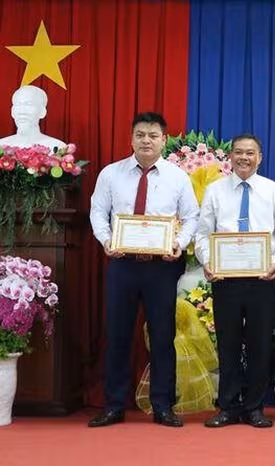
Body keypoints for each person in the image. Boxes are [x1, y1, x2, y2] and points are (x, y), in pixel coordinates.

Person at [88, 112, 199, 427]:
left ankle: (163, 405)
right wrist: (107, 240)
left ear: (164, 140)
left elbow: (192, 216)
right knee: (117, 335)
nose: (146, 141)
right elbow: (98, 211)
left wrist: (179, 243)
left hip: (161, 268)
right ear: (131, 138)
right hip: (122, 264)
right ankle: (114, 405)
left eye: (152, 135)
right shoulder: (111, 174)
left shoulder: (177, 177)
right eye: (140, 135)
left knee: (163, 337)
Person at [195, 133, 275, 428]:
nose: (244, 158)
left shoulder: (273, 191)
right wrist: (208, 262)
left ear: (260, 158)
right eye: (238, 152)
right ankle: (228, 406)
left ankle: (254, 407)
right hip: (225, 278)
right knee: (227, 343)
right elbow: (202, 234)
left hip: (263, 278)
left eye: (250, 153)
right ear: (230, 157)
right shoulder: (215, 191)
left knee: (259, 344)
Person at [0, 85, 66, 149]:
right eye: (18, 105)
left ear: (42, 112)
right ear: (12, 111)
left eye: (29, 104)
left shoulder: (57, 147)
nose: (22, 111)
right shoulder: (1, 145)